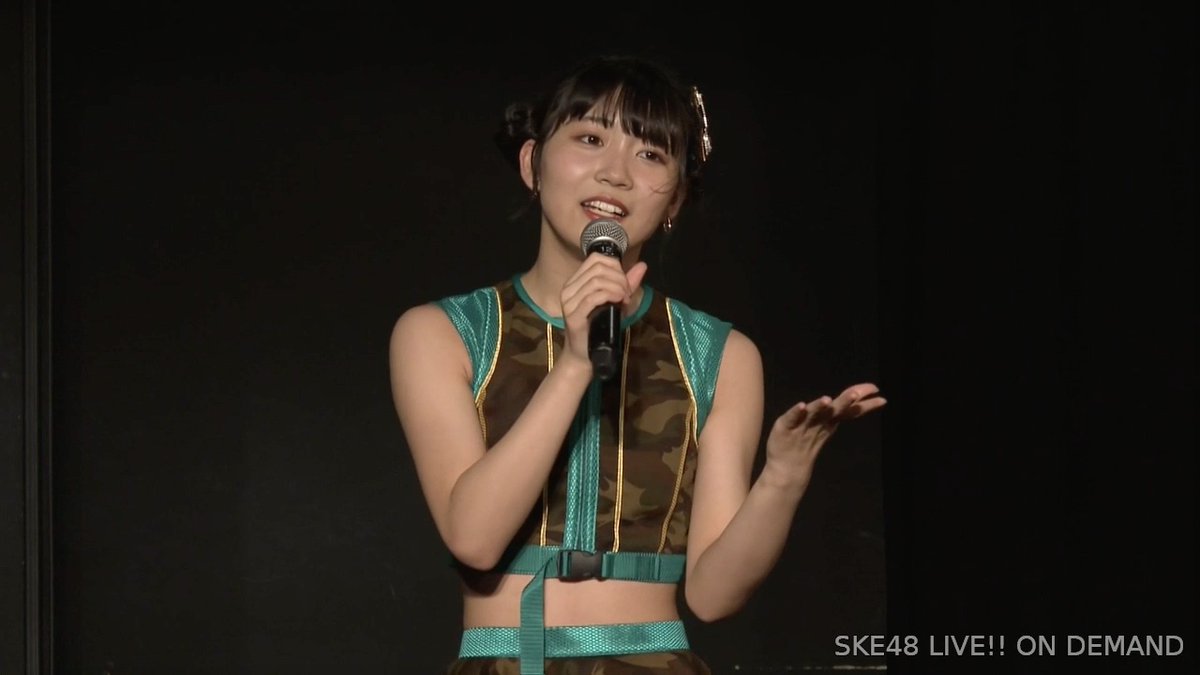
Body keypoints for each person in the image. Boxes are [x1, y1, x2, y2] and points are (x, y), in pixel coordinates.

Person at [388, 54, 886, 675]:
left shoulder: (718, 353)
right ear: (532, 163)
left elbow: (714, 596)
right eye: (589, 139)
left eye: (650, 153)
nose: (615, 173)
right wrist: (575, 363)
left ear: (676, 196)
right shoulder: (446, 333)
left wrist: (782, 477)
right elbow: (474, 538)